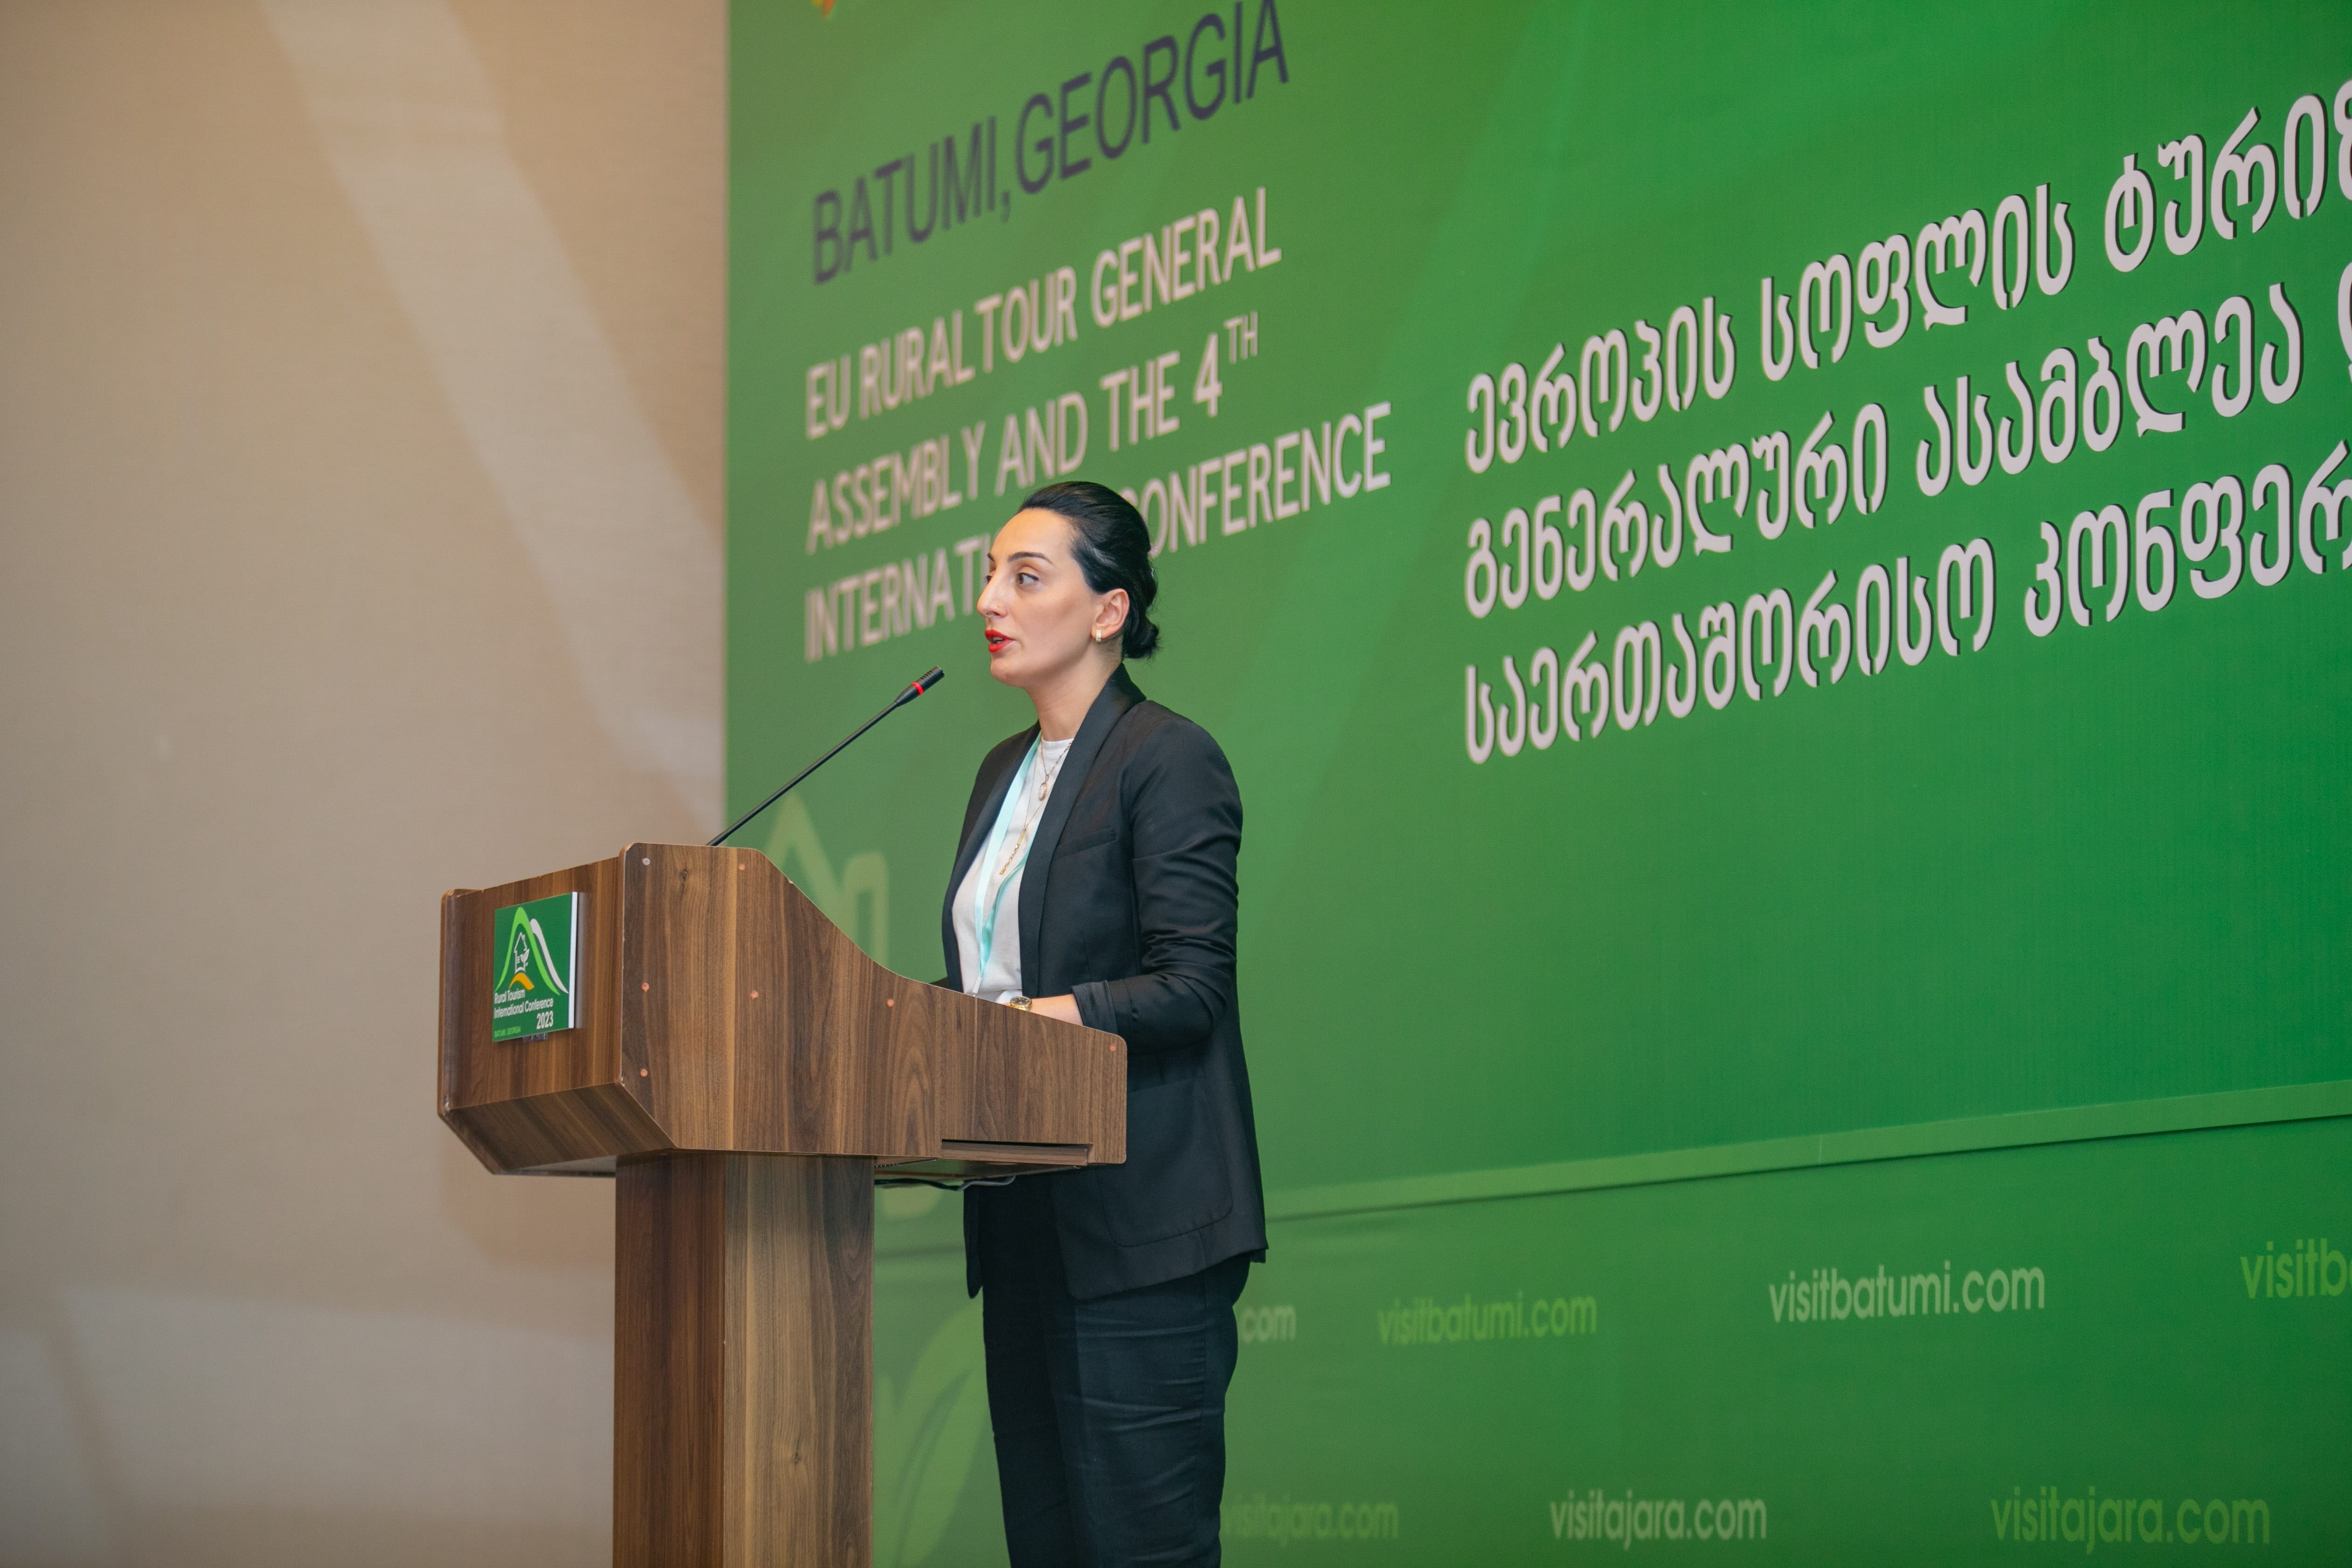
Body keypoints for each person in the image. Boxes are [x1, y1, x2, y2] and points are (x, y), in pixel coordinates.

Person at [941, 480, 1267, 1566]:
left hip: (1140, 1232)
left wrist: (1033, 1019)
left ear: (1108, 610)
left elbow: (1192, 985)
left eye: (1026, 577)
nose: (991, 598)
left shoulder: (1166, 757)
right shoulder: (1000, 772)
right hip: (1022, 1225)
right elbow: (992, 980)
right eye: (991, 574)